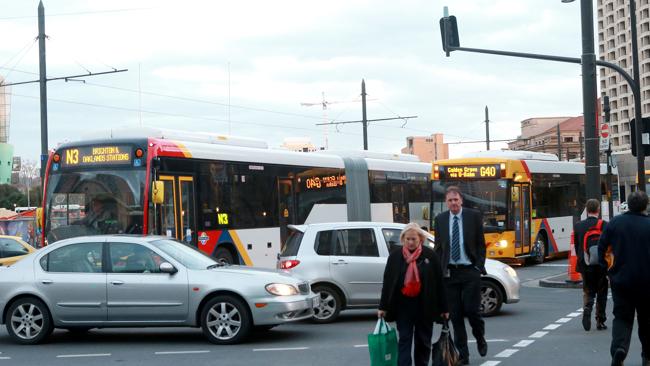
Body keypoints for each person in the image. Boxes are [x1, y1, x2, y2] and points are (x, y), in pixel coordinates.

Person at [378, 223, 448, 366]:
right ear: (403, 239)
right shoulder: (395, 257)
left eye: (414, 239)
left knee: (423, 341)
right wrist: (382, 307)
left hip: (425, 306)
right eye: (408, 239)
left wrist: (444, 308)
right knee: (404, 339)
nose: (410, 242)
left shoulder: (430, 256)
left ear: (420, 239)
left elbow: (439, 284)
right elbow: (388, 283)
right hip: (403, 307)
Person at [433, 185, 487, 365]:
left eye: (456, 200)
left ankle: (480, 338)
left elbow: (481, 244)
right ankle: (463, 355)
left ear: (461, 200)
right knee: (455, 317)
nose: (453, 203)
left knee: (472, 312)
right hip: (450, 273)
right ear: (446, 202)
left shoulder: (473, 216)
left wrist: (478, 267)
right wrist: (438, 270)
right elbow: (439, 247)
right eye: (450, 200)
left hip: (470, 271)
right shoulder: (440, 219)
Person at [598, 191, 650, 366]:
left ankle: (619, 348)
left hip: (621, 280)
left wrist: (608, 269)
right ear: (645, 206)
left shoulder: (615, 223)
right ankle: (647, 356)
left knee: (622, 317)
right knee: (646, 319)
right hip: (646, 282)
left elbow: (602, 248)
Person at [573, 198, 609, 331]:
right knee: (602, 292)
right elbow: (608, 245)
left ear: (587, 210)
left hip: (585, 263)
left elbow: (577, 247)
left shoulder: (578, 226)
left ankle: (587, 308)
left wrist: (583, 259)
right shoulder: (604, 225)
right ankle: (600, 320)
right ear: (598, 210)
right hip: (600, 264)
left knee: (588, 290)